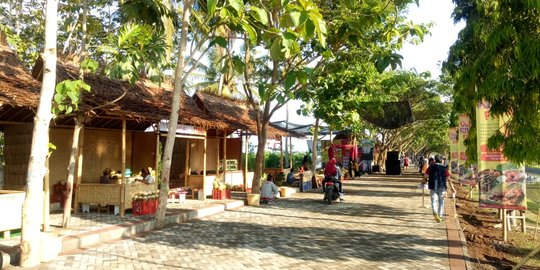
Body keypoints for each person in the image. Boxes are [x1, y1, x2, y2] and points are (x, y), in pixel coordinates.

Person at [424, 155, 456, 223]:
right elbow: (448, 179)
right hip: (442, 187)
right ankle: (440, 215)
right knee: (441, 202)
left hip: (433, 186)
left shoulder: (431, 166)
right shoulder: (444, 168)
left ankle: (435, 212)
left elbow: (425, 175)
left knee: (433, 201)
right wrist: (452, 188)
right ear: (442, 160)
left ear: (435, 160)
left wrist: (424, 180)